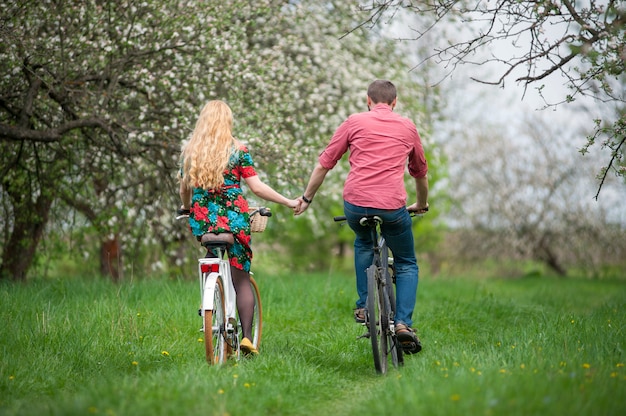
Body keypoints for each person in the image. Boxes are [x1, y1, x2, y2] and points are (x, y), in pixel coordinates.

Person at [295, 80, 429, 354]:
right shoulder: (407, 127)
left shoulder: (354, 122)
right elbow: (420, 173)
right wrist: (421, 204)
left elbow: (325, 164)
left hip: (356, 204)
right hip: (393, 206)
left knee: (364, 241)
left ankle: (363, 305)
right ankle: (403, 323)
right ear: (395, 102)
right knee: (405, 262)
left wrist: (307, 198)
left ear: (368, 100)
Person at [179, 100, 299, 356]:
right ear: (228, 122)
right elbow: (257, 188)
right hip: (234, 220)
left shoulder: (191, 151)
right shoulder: (238, 150)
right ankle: (246, 339)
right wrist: (288, 201)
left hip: (203, 221)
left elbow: (184, 189)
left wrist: (188, 208)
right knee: (241, 279)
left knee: (211, 253)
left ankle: (210, 306)